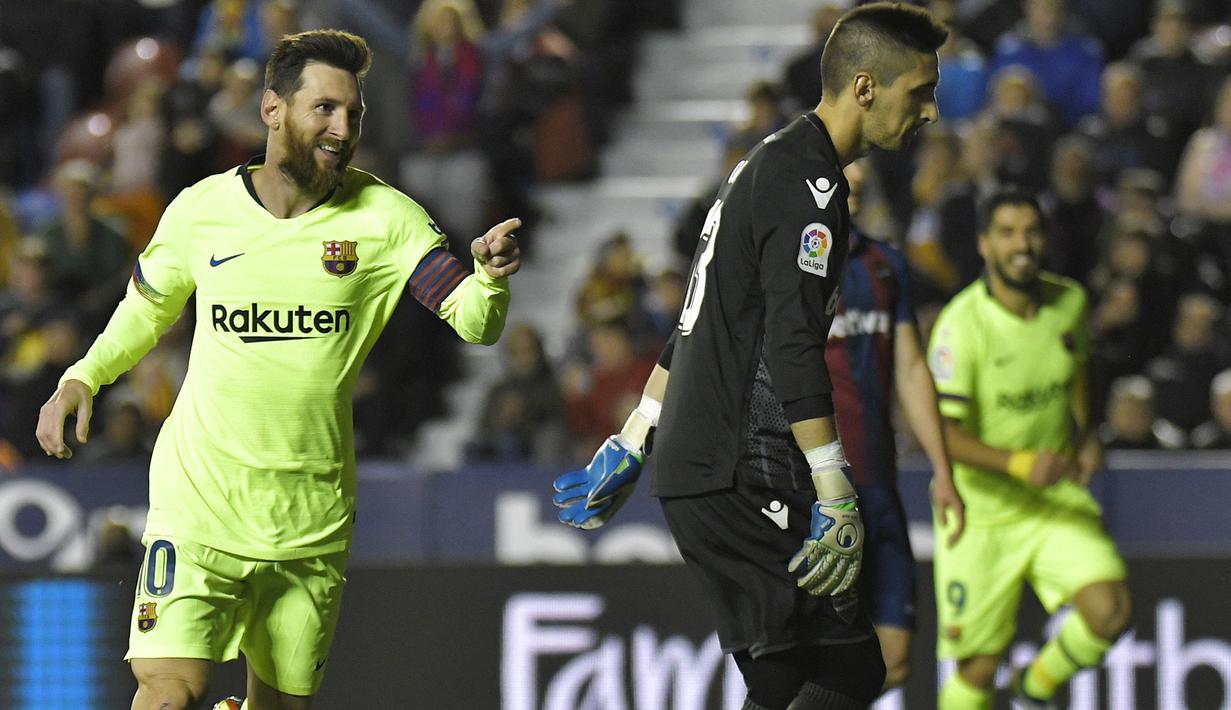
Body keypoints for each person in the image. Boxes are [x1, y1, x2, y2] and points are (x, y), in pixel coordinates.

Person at [34, 30, 521, 710]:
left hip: (310, 521)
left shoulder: (386, 218)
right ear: (272, 109)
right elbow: (145, 312)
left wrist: (490, 278)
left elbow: (473, 319)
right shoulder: (202, 211)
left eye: (352, 113)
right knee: (168, 688)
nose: (341, 128)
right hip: (199, 505)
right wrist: (82, 376)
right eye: (323, 108)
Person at [552, 5, 948, 709]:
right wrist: (832, 483)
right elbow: (791, 344)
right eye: (917, 91)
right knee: (850, 670)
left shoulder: (763, 166)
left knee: (782, 675)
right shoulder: (809, 188)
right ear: (865, 87)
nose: (928, 111)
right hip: (743, 465)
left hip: (697, 466)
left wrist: (634, 438)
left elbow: (698, 322)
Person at [927, 189, 1131, 709]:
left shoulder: (1070, 302)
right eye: (1008, 233)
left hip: (1051, 501)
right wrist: (1018, 463)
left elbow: (1080, 367)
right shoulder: (960, 327)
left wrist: (1087, 435)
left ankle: (1033, 690)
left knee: (1110, 611)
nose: (1022, 244)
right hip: (982, 513)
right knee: (977, 667)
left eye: (1032, 231)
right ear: (984, 245)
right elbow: (942, 434)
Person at [828, 160, 962, 693]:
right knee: (824, 657)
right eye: (844, 180)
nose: (854, 190)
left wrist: (942, 468)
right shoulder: (785, 268)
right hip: (815, 490)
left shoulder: (885, 265)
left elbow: (910, 367)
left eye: (862, 184)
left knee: (895, 659)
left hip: (878, 479)